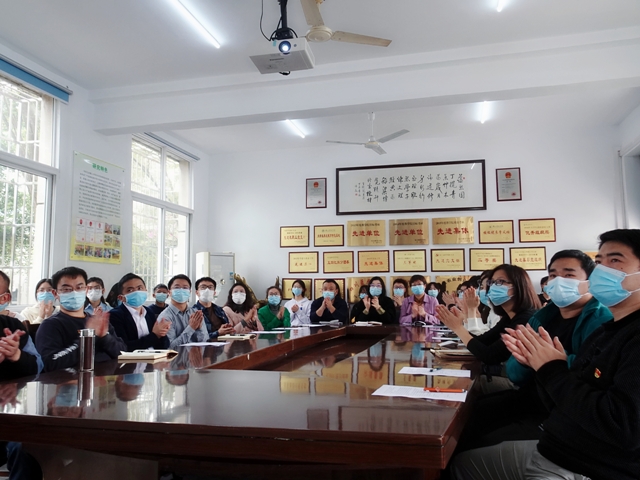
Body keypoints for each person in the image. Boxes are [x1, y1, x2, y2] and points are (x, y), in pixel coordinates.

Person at [451, 229, 640, 480]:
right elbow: (546, 387)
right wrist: (538, 363)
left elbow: (621, 425)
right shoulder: (602, 329)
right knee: (463, 447)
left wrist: (551, 365)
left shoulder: (604, 322)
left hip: (586, 463)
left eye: (615, 260)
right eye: (599, 262)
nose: (602, 270)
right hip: (558, 440)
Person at [452, 250, 613, 455]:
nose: (558, 281)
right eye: (553, 275)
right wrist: (526, 359)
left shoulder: (601, 319)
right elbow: (514, 373)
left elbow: (595, 375)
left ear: (590, 281)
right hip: (532, 398)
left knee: (476, 443)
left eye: (569, 275)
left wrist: (553, 360)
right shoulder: (544, 317)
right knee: (473, 415)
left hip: (562, 413)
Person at [437, 264, 540, 391]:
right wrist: (457, 326)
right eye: (492, 283)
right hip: (510, 378)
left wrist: (458, 328)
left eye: (500, 282)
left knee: (471, 386)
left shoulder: (525, 318)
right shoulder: (509, 317)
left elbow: (490, 356)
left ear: (518, 286)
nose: (492, 287)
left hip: (524, 388)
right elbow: (483, 340)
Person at [35, 267, 126, 372]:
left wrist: (104, 337)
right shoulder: (50, 325)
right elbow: (50, 364)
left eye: (79, 288)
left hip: (105, 379)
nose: (74, 292)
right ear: (55, 294)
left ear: (86, 290)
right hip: (72, 380)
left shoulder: (97, 321)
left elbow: (122, 352)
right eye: (66, 289)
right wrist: (88, 338)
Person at [0, 271, 44, 480]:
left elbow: (38, 367)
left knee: (28, 447)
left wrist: (17, 356)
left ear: (4, 298)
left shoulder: (13, 327)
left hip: (13, 416)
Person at [108, 273, 170, 351]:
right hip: (132, 358)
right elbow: (123, 347)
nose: (136, 292)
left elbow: (163, 346)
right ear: (121, 297)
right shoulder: (115, 315)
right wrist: (155, 335)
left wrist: (162, 334)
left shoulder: (149, 312)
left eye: (139, 288)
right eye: (130, 290)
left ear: (146, 291)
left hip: (154, 357)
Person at [160, 274, 208, 350]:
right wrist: (191, 328)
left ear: (189, 292)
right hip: (177, 357)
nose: (181, 290)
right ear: (169, 292)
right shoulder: (165, 317)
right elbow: (171, 347)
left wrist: (199, 329)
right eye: (177, 287)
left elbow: (205, 342)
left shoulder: (195, 313)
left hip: (196, 355)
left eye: (185, 288)